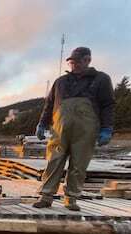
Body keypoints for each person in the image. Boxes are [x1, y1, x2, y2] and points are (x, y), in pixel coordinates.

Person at [34, 47, 115, 211]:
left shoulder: (101, 79)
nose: (74, 65)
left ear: (88, 60)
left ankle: (71, 198)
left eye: (77, 61)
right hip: (60, 128)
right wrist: (42, 123)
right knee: (54, 161)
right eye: (72, 62)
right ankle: (46, 196)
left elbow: (108, 105)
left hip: (86, 130)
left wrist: (107, 128)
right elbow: (49, 105)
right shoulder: (61, 81)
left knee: (79, 164)